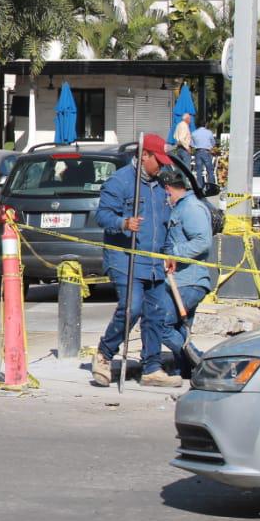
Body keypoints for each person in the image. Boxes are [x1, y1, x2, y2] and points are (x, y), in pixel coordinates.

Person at [91, 134, 178, 388]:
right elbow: (102, 215)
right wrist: (123, 223)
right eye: (157, 161)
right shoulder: (120, 182)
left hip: (153, 260)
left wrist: (169, 252)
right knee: (133, 307)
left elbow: (166, 223)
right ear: (144, 156)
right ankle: (104, 354)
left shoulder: (162, 186)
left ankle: (151, 366)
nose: (161, 167)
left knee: (156, 313)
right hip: (124, 257)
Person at [158, 164, 213, 381]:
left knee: (162, 323)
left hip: (190, 281)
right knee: (180, 328)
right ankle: (188, 369)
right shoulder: (180, 207)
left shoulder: (191, 208)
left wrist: (175, 254)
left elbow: (203, 241)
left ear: (169, 189)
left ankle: (197, 361)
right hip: (178, 280)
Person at [191, 120, 217, 193]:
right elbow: (213, 143)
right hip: (206, 152)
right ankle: (211, 188)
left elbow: (192, 145)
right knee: (210, 170)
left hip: (198, 152)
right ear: (205, 124)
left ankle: (200, 188)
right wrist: (210, 146)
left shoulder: (194, 133)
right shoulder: (209, 132)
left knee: (198, 171)